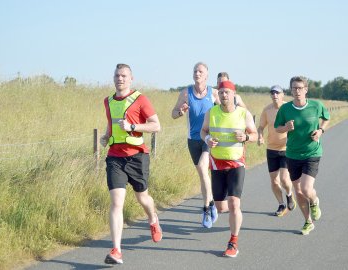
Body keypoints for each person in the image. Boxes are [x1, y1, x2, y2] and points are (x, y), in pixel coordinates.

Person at [100, 63, 162, 265]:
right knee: (117, 202)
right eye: (117, 75)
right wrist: (106, 136)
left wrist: (133, 126)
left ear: (131, 78)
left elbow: (156, 125)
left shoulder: (141, 99)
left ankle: (153, 219)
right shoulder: (108, 101)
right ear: (113, 78)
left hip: (137, 156)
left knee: (142, 197)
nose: (120, 79)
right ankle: (117, 249)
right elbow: (111, 124)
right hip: (115, 157)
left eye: (124, 76)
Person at [201, 80, 258, 257]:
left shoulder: (243, 113)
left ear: (234, 94)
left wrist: (246, 137)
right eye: (221, 92)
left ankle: (233, 242)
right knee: (221, 207)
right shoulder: (211, 112)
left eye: (227, 92)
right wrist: (207, 139)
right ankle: (213, 208)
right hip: (217, 163)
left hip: (236, 164)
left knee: (234, 204)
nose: (224, 95)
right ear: (218, 95)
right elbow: (203, 131)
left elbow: (255, 135)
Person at [274, 76, 330, 235]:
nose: (297, 91)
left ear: (306, 90)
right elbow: (277, 128)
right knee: (298, 191)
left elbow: (326, 118)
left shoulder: (316, 105)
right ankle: (307, 222)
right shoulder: (285, 109)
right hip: (292, 154)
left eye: (300, 88)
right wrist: (286, 127)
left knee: (306, 188)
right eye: (294, 88)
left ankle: (314, 200)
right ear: (290, 90)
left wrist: (320, 130)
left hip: (312, 152)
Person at [171, 62, 220, 228]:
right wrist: (181, 112)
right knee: (203, 174)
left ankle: (206, 209)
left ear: (206, 75)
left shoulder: (214, 93)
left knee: (202, 167)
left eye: (200, 71)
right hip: (192, 139)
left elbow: (223, 112)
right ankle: (212, 202)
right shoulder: (186, 93)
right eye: (195, 71)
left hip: (208, 137)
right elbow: (173, 114)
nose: (197, 74)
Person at [257, 85, 296, 216]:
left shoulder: (289, 108)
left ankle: (289, 195)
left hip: (286, 148)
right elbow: (261, 126)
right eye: (272, 93)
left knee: (285, 179)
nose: (275, 95)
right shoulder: (267, 110)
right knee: (274, 181)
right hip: (271, 149)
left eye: (277, 93)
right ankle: (281, 204)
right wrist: (260, 136)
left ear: (282, 95)